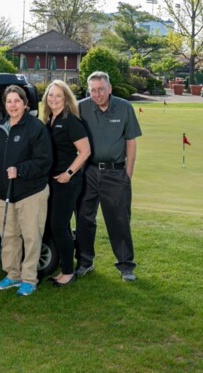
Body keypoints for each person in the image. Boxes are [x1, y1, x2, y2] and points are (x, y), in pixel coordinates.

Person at [0, 85, 52, 296]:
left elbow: (44, 161)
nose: (13, 105)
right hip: (4, 194)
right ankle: (13, 274)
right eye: (9, 101)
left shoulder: (35, 127)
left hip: (30, 192)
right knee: (9, 236)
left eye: (17, 101)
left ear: (25, 104)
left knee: (31, 236)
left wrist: (20, 170)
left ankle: (29, 278)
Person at [75, 71, 142, 281]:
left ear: (109, 88)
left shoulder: (124, 108)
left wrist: (127, 174)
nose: (97, 94)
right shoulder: (81, 107)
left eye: (101, 89)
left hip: (116, 172)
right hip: (89, 172)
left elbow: (131, 142)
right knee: (84, 218)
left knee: (119, 220)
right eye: (93, 90)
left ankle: (125, 266)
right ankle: (85, 262)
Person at [42, 80, 90, 287]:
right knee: (56, 226)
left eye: (58, 96)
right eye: (50, 95)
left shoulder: (71, 120)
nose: (53, 99)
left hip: (67, 181)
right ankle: (65, 266)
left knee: (59, 226)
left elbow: (85, 151)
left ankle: (69, 272)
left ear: (66, 99)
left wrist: (68, 173)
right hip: (52, 180)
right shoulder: (48, 119)